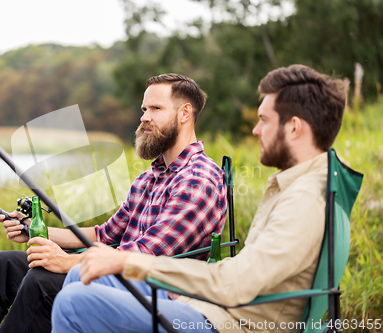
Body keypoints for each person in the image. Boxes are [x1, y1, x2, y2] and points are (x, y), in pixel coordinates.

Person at [51, 64, 346, 333]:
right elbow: (248, 271)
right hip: (217, 309)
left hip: (231, 324)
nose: (256, 130)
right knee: (85, 280)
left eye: (264, 120)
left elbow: (237, 284)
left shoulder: (303, 201)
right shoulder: (301, 187)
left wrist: (130, 262)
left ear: (294, 128)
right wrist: (185, 282)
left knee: (74, 301)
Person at [0, 73, 227, 333]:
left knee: (41, 282)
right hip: (117, 275)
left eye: (155, 109)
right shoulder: (149, 178)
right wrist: (34, 231)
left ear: (185, 113)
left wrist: (67, 262)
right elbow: (104, 235)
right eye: (144, 109)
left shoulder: (198, 178)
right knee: (3, 265)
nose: (144, 117)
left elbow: (145, 254)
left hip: (153, 292)